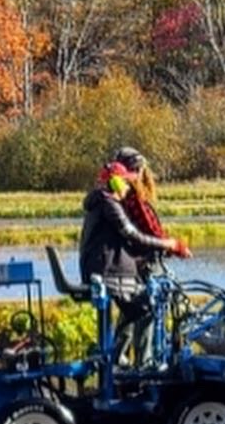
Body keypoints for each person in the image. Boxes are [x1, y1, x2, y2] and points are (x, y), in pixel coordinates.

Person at [78, 150, 188, 363]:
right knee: (147, 306)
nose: (129, 186)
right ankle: (140, 364)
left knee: (135, 310)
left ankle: (119, 358)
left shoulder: (103, 202)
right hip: (110, 272)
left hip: (110, 270)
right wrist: (169, 245)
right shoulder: (111, 204)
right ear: (118, 183)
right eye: (126, 182)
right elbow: (135, 235)